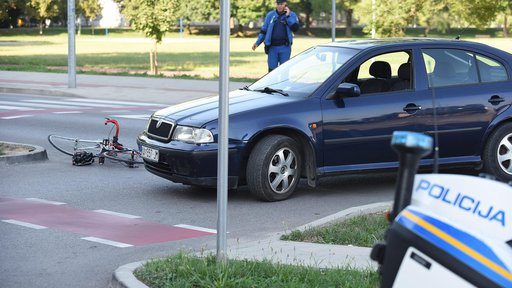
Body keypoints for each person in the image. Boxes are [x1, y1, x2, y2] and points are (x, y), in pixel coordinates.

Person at [252, 0, 299, 72]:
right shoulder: (270, 15)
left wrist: (288, 16)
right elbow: (264, 30)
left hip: (285, 47)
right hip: (272, 48)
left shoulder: (291, 15)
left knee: (284, 70)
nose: (279, 6)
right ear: (275, 4)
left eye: (282, 4)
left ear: (285, 4)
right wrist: (257, 42)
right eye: (278, 4)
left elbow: (295, 28)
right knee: (271, 71)